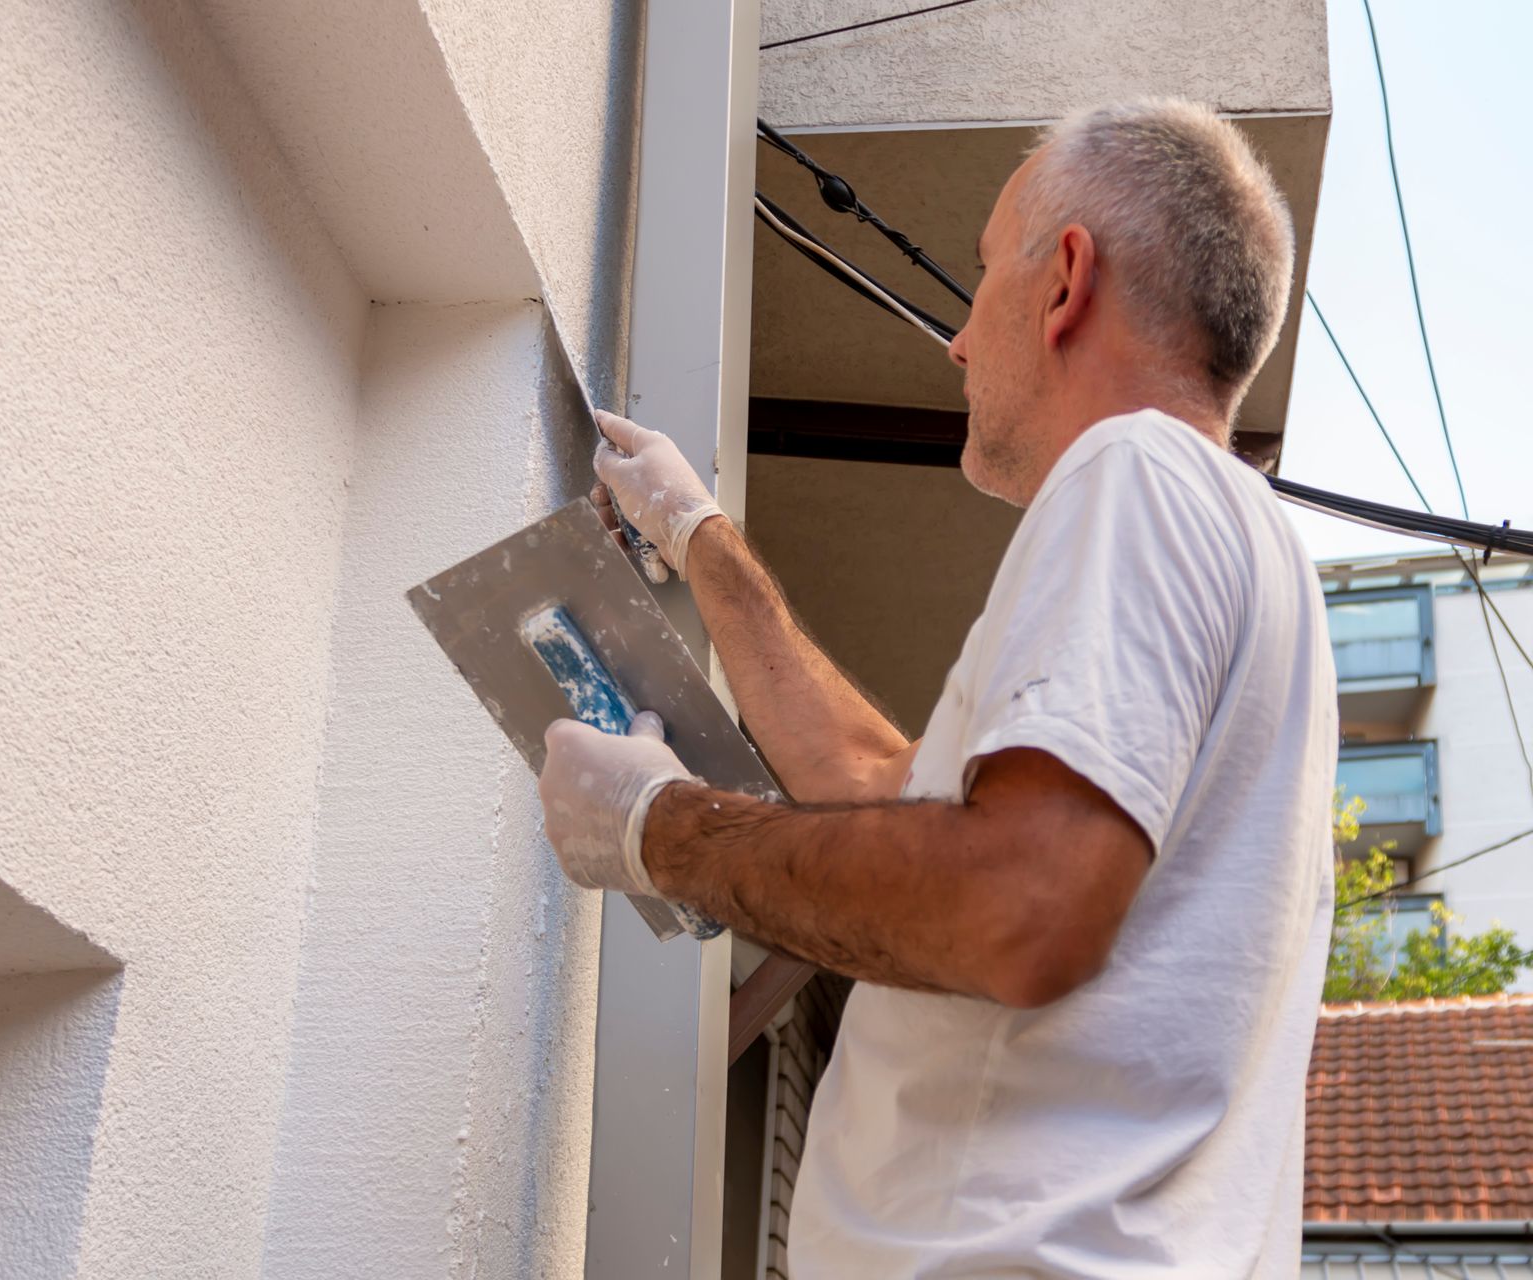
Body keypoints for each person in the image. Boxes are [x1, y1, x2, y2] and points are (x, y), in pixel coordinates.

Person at [539, 99, 1338, 1276]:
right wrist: (696, 531)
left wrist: (663, 830)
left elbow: (1020, 903)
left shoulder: (1136, 471)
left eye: (978, 278)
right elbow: (883, 787)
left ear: (1065, 279)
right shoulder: (1252, 553)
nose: (960, 341)